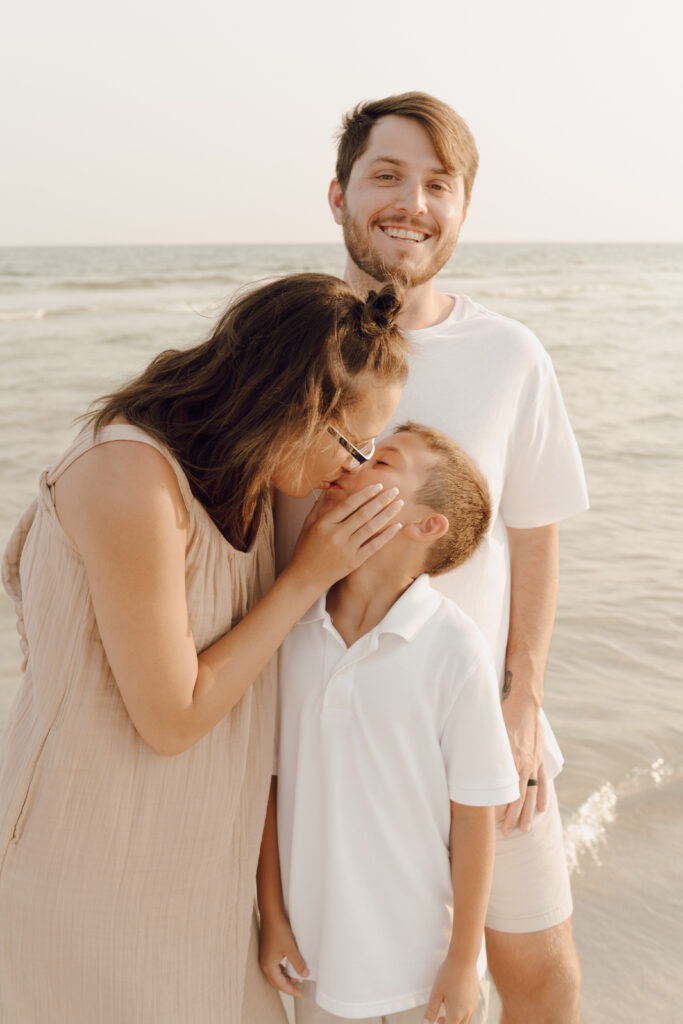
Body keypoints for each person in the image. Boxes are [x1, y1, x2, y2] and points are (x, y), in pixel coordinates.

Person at [0, 274, 409, 1023]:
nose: (355, 467)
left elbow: (244, 717)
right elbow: (174, 718)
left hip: (194, 874)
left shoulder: (243, 478)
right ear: (290, 407)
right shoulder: (132, 473)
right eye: (351, 443)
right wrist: (303, 578)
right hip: (87, 862)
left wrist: (267, 905)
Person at [275, 95, 589, 1024]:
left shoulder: (509, 355)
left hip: (481, 725)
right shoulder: (288, 348)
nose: (411, 201)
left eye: (437, 185)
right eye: (386, 175)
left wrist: (521, 702)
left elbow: (534, 533)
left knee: (538, 974)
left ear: (459, 211)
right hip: (331, 737)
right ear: (337, 194)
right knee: (351, 989)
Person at [259, 424, 521, 1024]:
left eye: (383, 462)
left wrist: (463, 959)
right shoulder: (290, 628)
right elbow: (268, 785)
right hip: (317, 965)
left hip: (422, 973)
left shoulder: (454, 649)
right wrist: (271, 918)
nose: (354, 462)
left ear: (426, 525)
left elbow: (475, 816)